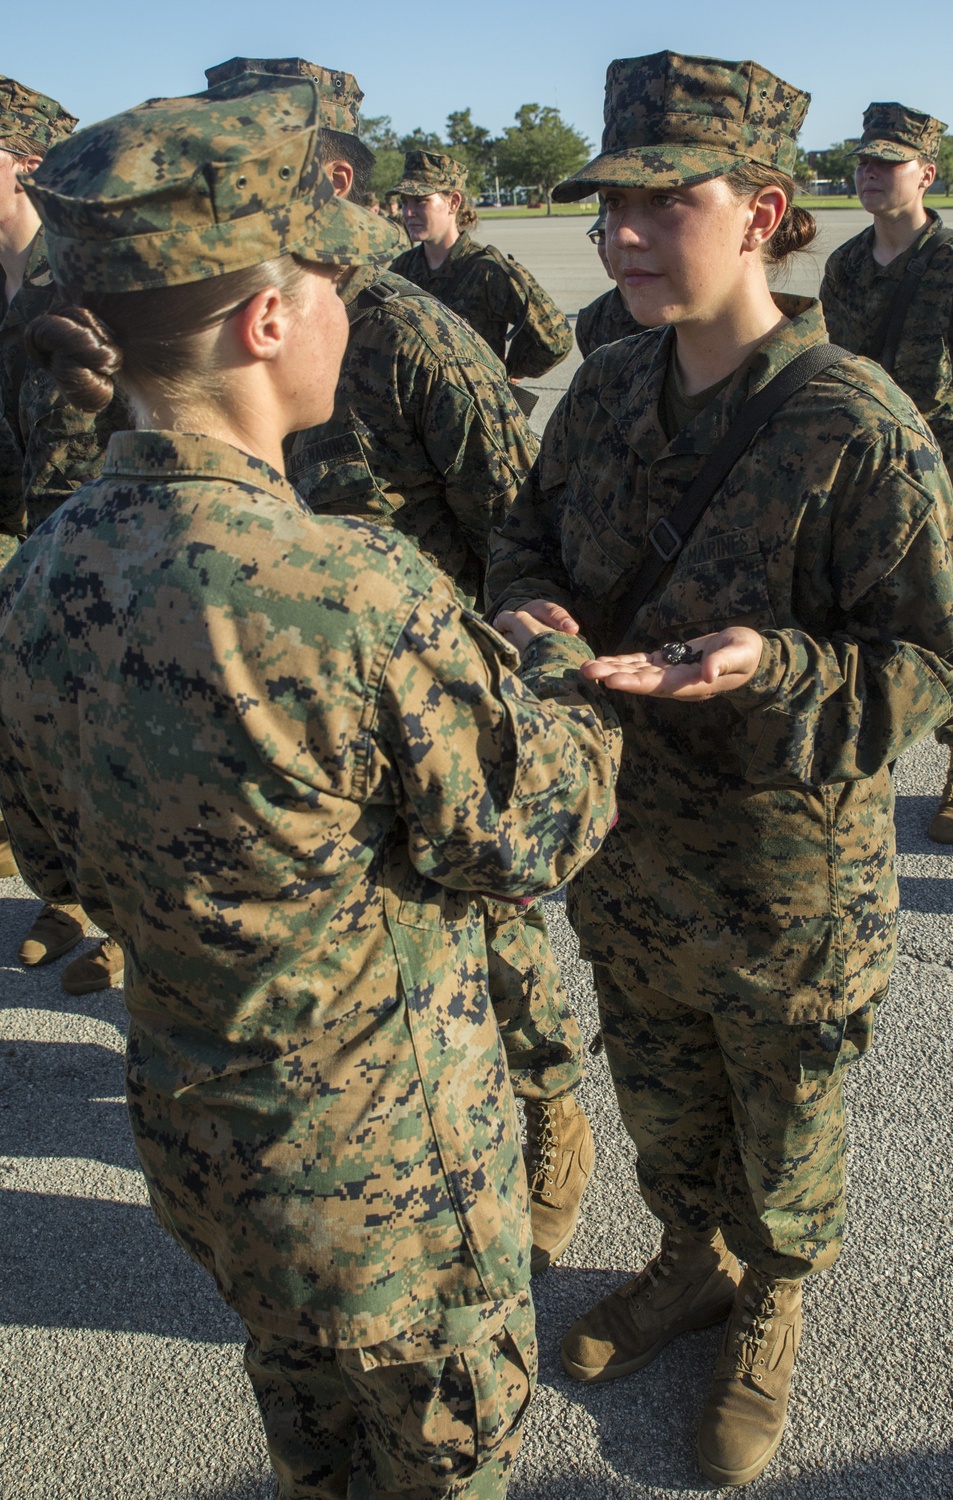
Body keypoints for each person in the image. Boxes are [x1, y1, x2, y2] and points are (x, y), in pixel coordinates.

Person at [0, 74, 621, 1498]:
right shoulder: (347, 589)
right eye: (336, 282)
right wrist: (558, 674)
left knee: (310, 1451)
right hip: (396, 1188)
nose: (355, 309)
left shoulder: (41, 577)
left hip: (211, 1161)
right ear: (267, 319)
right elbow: (534, 837)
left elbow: (60, 858)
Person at [487, 49, 953, 1487]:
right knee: (658, 1091)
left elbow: (939, 668)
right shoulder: (605, 389)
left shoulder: (854, 426)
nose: (624, 232)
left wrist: (779, 668)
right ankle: (687, 1260)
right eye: (608, 206)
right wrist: (533, 607)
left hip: (786, 886)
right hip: (628, 855)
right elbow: (525, 534)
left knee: (784, 1118)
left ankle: (771, 1299)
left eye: (664, 198)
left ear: (765, 209)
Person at [204, 53, 596, 1277]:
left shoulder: (412, 336)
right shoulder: (223, 323)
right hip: (294, 704)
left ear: (328, 174)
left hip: (429, 698)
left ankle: (548, 1111)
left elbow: (517, 537)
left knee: (492, 927)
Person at [820, 102, 953, 843]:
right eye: (864, 160)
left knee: (947, 611)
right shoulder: (847, 265)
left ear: (925, 174)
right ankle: (876, 754)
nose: (869, 172)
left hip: (942, 471)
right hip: (860, 471)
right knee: (860, 606)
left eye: (887, 162)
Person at [0, 70, 127, 993]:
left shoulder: (90, 276)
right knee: (34, 744)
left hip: (104, 559)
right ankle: (67, 898)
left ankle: (131, 926)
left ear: (27, 164)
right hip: (22, 560)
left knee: (115, 748)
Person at [390, 151, 573, 398]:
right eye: (405, 202)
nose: (408, 212)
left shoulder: (489, 271)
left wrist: (504, 370)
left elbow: (556, 338)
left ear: (453, 202)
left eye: (420, 201)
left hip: (473, 421)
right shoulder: (401, 270)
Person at [574, 206, 643, 358]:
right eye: (601, 236)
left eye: (617, 234)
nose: (607, 248)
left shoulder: (677, 316)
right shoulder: (591, 319)